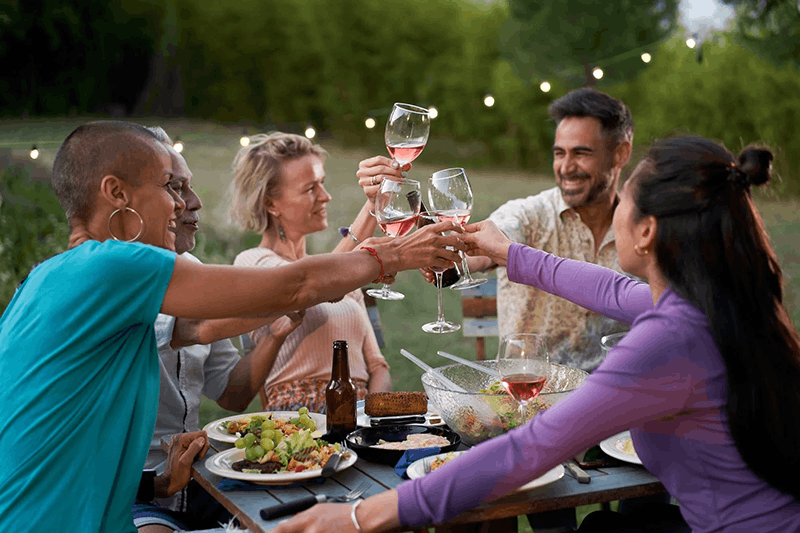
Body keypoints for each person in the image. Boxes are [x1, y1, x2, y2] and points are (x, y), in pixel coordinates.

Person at [271, 135, 800, 533]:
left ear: (647, 230)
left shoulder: (671, 336)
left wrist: (365, 516)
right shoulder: (722, 302)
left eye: (627, 205)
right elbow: (613, 290)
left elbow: (533, 447)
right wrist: (508, 254)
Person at [0, 120, 464, 533]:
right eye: (170, 186)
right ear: (117, 194)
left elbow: (233, 316)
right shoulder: (110, 267)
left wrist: (157, 484)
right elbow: (294, 287)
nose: (185, 203)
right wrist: (395, 254)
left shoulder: (53, 281)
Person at [133, 127, 305, 533]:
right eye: (176, 188)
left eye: (188, 188)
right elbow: (201, 326)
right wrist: (300, 290)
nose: (193, 202)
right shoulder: (129, 277)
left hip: (198, 483)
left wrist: (277, 332)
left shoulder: (194, 277)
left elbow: (232, 392)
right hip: (135, 491)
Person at [464, 87, 636, 373]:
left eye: (581, 153)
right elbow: (485, 249)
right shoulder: (529, 215)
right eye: (559, 153)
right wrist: (450, 258)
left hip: (614, 398)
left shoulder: (643, 229)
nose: (566, 167)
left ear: (620, 154)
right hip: (530, 398)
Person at [229, 132, 402, 412]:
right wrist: (372, 205)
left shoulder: (340, 276)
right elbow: (312, 283)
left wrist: (369, 414)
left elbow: (378, 366)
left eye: (322, 184)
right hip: (298, 420)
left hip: (358, 413)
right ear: (271, 203)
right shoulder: (253, 263)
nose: (325, 196)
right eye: (310, 189)